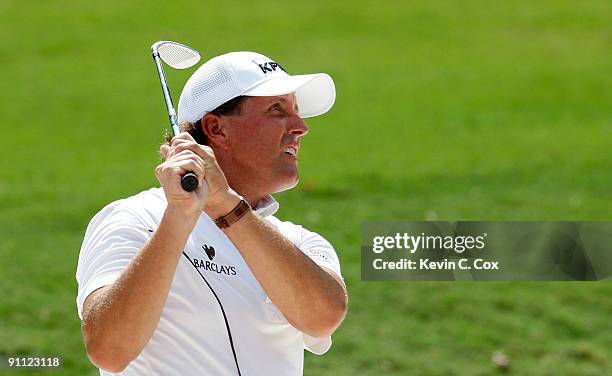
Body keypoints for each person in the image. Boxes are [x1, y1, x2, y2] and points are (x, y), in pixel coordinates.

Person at [75, 51, 348, 375]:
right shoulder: (133, 219)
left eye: (296, 111)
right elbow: (109, 350)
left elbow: (322, 317)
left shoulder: (300, 241)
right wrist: (179, 216)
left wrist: (227, 206)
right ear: (217, 129)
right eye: (277, 110)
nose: (300, 127)